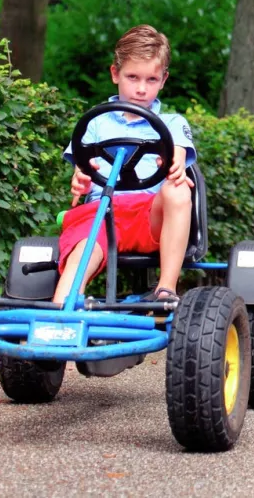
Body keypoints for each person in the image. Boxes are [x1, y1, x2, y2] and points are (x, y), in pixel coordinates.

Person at [55, 25, 195, 305]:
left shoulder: (172, 123)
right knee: (81, 256)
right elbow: (82, 168)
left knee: (178, 189)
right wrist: (80, 178)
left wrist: (173, 162)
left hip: (149, 215)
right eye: (132, 77)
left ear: (163, 80)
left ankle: (165, 290)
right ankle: (60, 319)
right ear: (115, 74)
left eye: (151, 79)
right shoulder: (94, 122)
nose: (142, 89)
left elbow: (178, 152)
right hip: (100, 215)